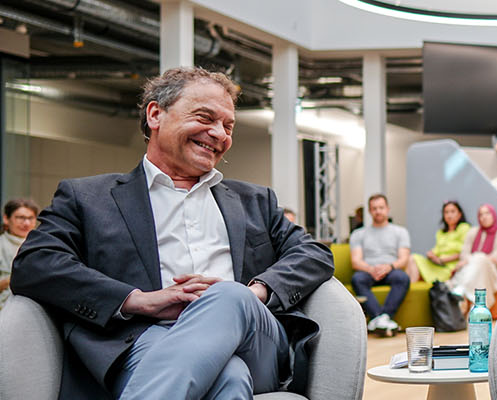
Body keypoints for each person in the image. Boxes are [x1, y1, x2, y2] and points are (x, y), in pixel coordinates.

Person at [11, 66, 334, 399]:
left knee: (227, 296)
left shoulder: (255, 200)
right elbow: (35, 262)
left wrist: (251, 295)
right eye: (205, 118)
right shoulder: (88, 198)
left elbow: (313, 254)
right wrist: (139, 302)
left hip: (254, 343)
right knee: (230, 378)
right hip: (142, 340)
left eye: (227, 125)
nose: (220, 134)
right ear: (155, 114)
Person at [349, 193, 412, 335]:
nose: (378, 211)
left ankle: (381, 319)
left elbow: (404, 259)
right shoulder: (358, 234)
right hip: (368, 271)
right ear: (370, 211)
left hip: (391, 270)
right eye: (374, 208)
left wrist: (389, 267)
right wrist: (371, 269)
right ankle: (383, 319)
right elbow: (356, 261)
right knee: (357, 279)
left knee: (402, 278)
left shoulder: (400, 232)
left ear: (388, 209)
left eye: (381, 207)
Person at [444, 203, 497, 307]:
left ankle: (461, 287)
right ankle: (472, 301)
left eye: (487, 213)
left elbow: (496, 258)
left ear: (493, 215)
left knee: (481, 259)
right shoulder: (473, 232)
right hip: (470, 268)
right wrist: (473, 259)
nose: (484, 217)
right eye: (481, 214)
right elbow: (464, 253)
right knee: (479, 259)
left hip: (490, 271)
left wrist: (475, 258)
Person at [412, 201, 470, 284]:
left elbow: (464, 252)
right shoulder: (440, 233)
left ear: (459, 214)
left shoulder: (464, 228)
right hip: (438, 265)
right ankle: (411, 287)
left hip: (452, 268)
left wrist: (442, 260)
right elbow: (436, 250)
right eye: (446, 212)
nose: (449, 215)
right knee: (413, 257)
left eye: (453, 211)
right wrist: (431, 254)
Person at [0, 198, 39, 310]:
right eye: (20, 218)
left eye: (30, 218)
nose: (26, 223)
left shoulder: (44, 246)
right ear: (6, 219)